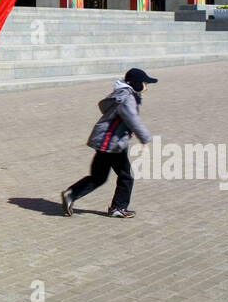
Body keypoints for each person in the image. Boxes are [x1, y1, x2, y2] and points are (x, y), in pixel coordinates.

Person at [61, 68, 157, 219]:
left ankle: (71, 194)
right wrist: (145, 139)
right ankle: (118, 207)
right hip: (112, 144)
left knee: (98, 176)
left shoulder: (122, 94)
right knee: (126, 177)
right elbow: (132, 119)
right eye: (145, 83)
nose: (147, 87)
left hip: (107, 142)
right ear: (137, 84)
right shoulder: (127, 98)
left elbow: (120, 116)